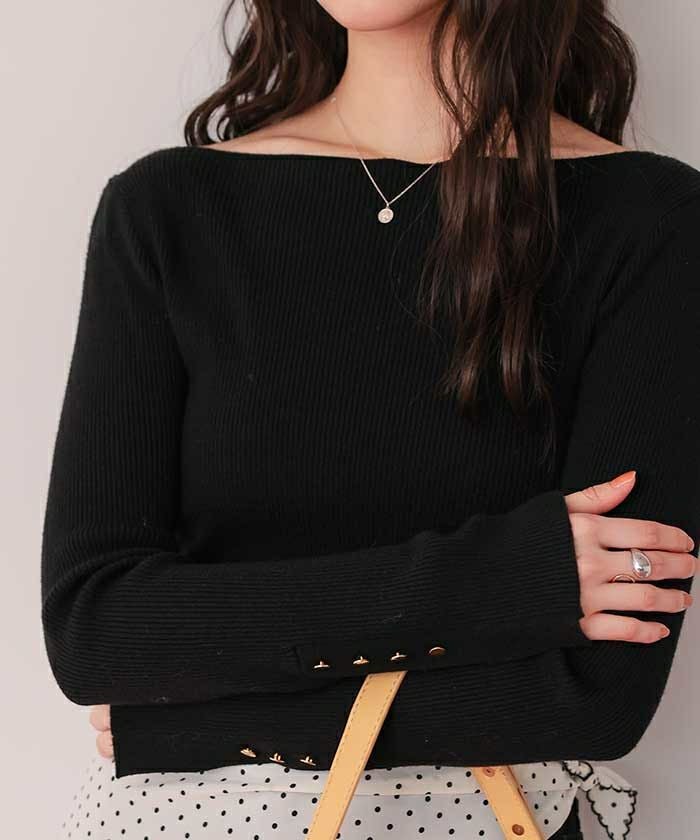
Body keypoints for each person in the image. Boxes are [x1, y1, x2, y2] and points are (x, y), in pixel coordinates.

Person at [42, 2, 700, 838]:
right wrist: (500, 579)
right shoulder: (167, 209)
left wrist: (191, 725)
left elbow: (593, 698)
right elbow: (97, 630)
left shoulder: (652, 218)